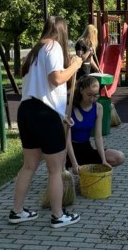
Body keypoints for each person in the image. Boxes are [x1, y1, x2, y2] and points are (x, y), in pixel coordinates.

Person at [8, 15, 83, 229]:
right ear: (62, 31)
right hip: (43, 115)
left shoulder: (35, 51)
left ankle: (17, 211)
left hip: (27, 111)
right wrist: (75, 65)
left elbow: (40, 89)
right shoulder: (53, 47)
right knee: (55, 169)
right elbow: (56, 79)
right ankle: (58, 216)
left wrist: (59, 114)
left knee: (29, 166)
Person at [66, 75, 125, 172]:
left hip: (86, 148)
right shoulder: (69, 108)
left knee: (119, 157)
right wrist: (74, 163)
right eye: (89, 95)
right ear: (81, 91)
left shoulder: (98, 107)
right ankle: (66, 168)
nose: (92, 99)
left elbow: (98, 137)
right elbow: (67, 140)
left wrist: (103, 160)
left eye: (96, 95)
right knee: (59, 164)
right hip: (68, 151)